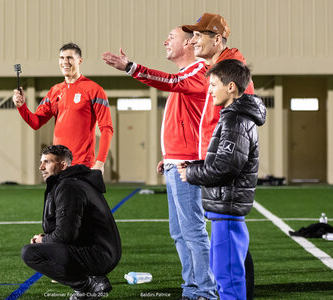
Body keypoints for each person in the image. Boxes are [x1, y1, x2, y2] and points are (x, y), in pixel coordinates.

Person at [103, 28, 217, 300]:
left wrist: (131, 67)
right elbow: (187, 120)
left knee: (193, 230)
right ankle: (192, 288)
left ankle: (206, 291)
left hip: (187, 166)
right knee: (179, 232)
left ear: (188, 42)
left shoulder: (198, 69)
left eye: (171, 37)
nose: (165, 41)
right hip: (177, 162)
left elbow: (168, 81)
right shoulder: (185, 76)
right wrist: (168, 156)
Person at [182, 13, 256, 299]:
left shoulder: (229, 69)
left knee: (226, 259)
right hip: (221, 171)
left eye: (199, 35)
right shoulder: (221, 68)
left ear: (217, 39)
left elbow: (235, 131)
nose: (193, 40)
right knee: (229, 252)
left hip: (227, 177)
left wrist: (197, 169)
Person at [21, 145, 121, 300]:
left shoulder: (69, 186)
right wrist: (46, 238)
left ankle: (88, 285)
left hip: (99, 255)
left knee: (31, 253)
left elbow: (66, 233)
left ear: (63, 165)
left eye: (47, 162)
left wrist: (43, 240)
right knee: (41, 246)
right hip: (100, 250)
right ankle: (92, 281)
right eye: (41, 162)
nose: (41, 167)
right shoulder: (71, 182)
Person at [12, 43, 113, 173]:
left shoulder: (94, 90)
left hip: (82, 165)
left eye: (69, 58)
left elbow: (107, 129)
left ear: (79, 61)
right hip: (58, 166)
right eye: (62, 58)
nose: (65, 62)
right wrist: (21, 107)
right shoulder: (54, 91)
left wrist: (100, 163)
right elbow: (36, 123)